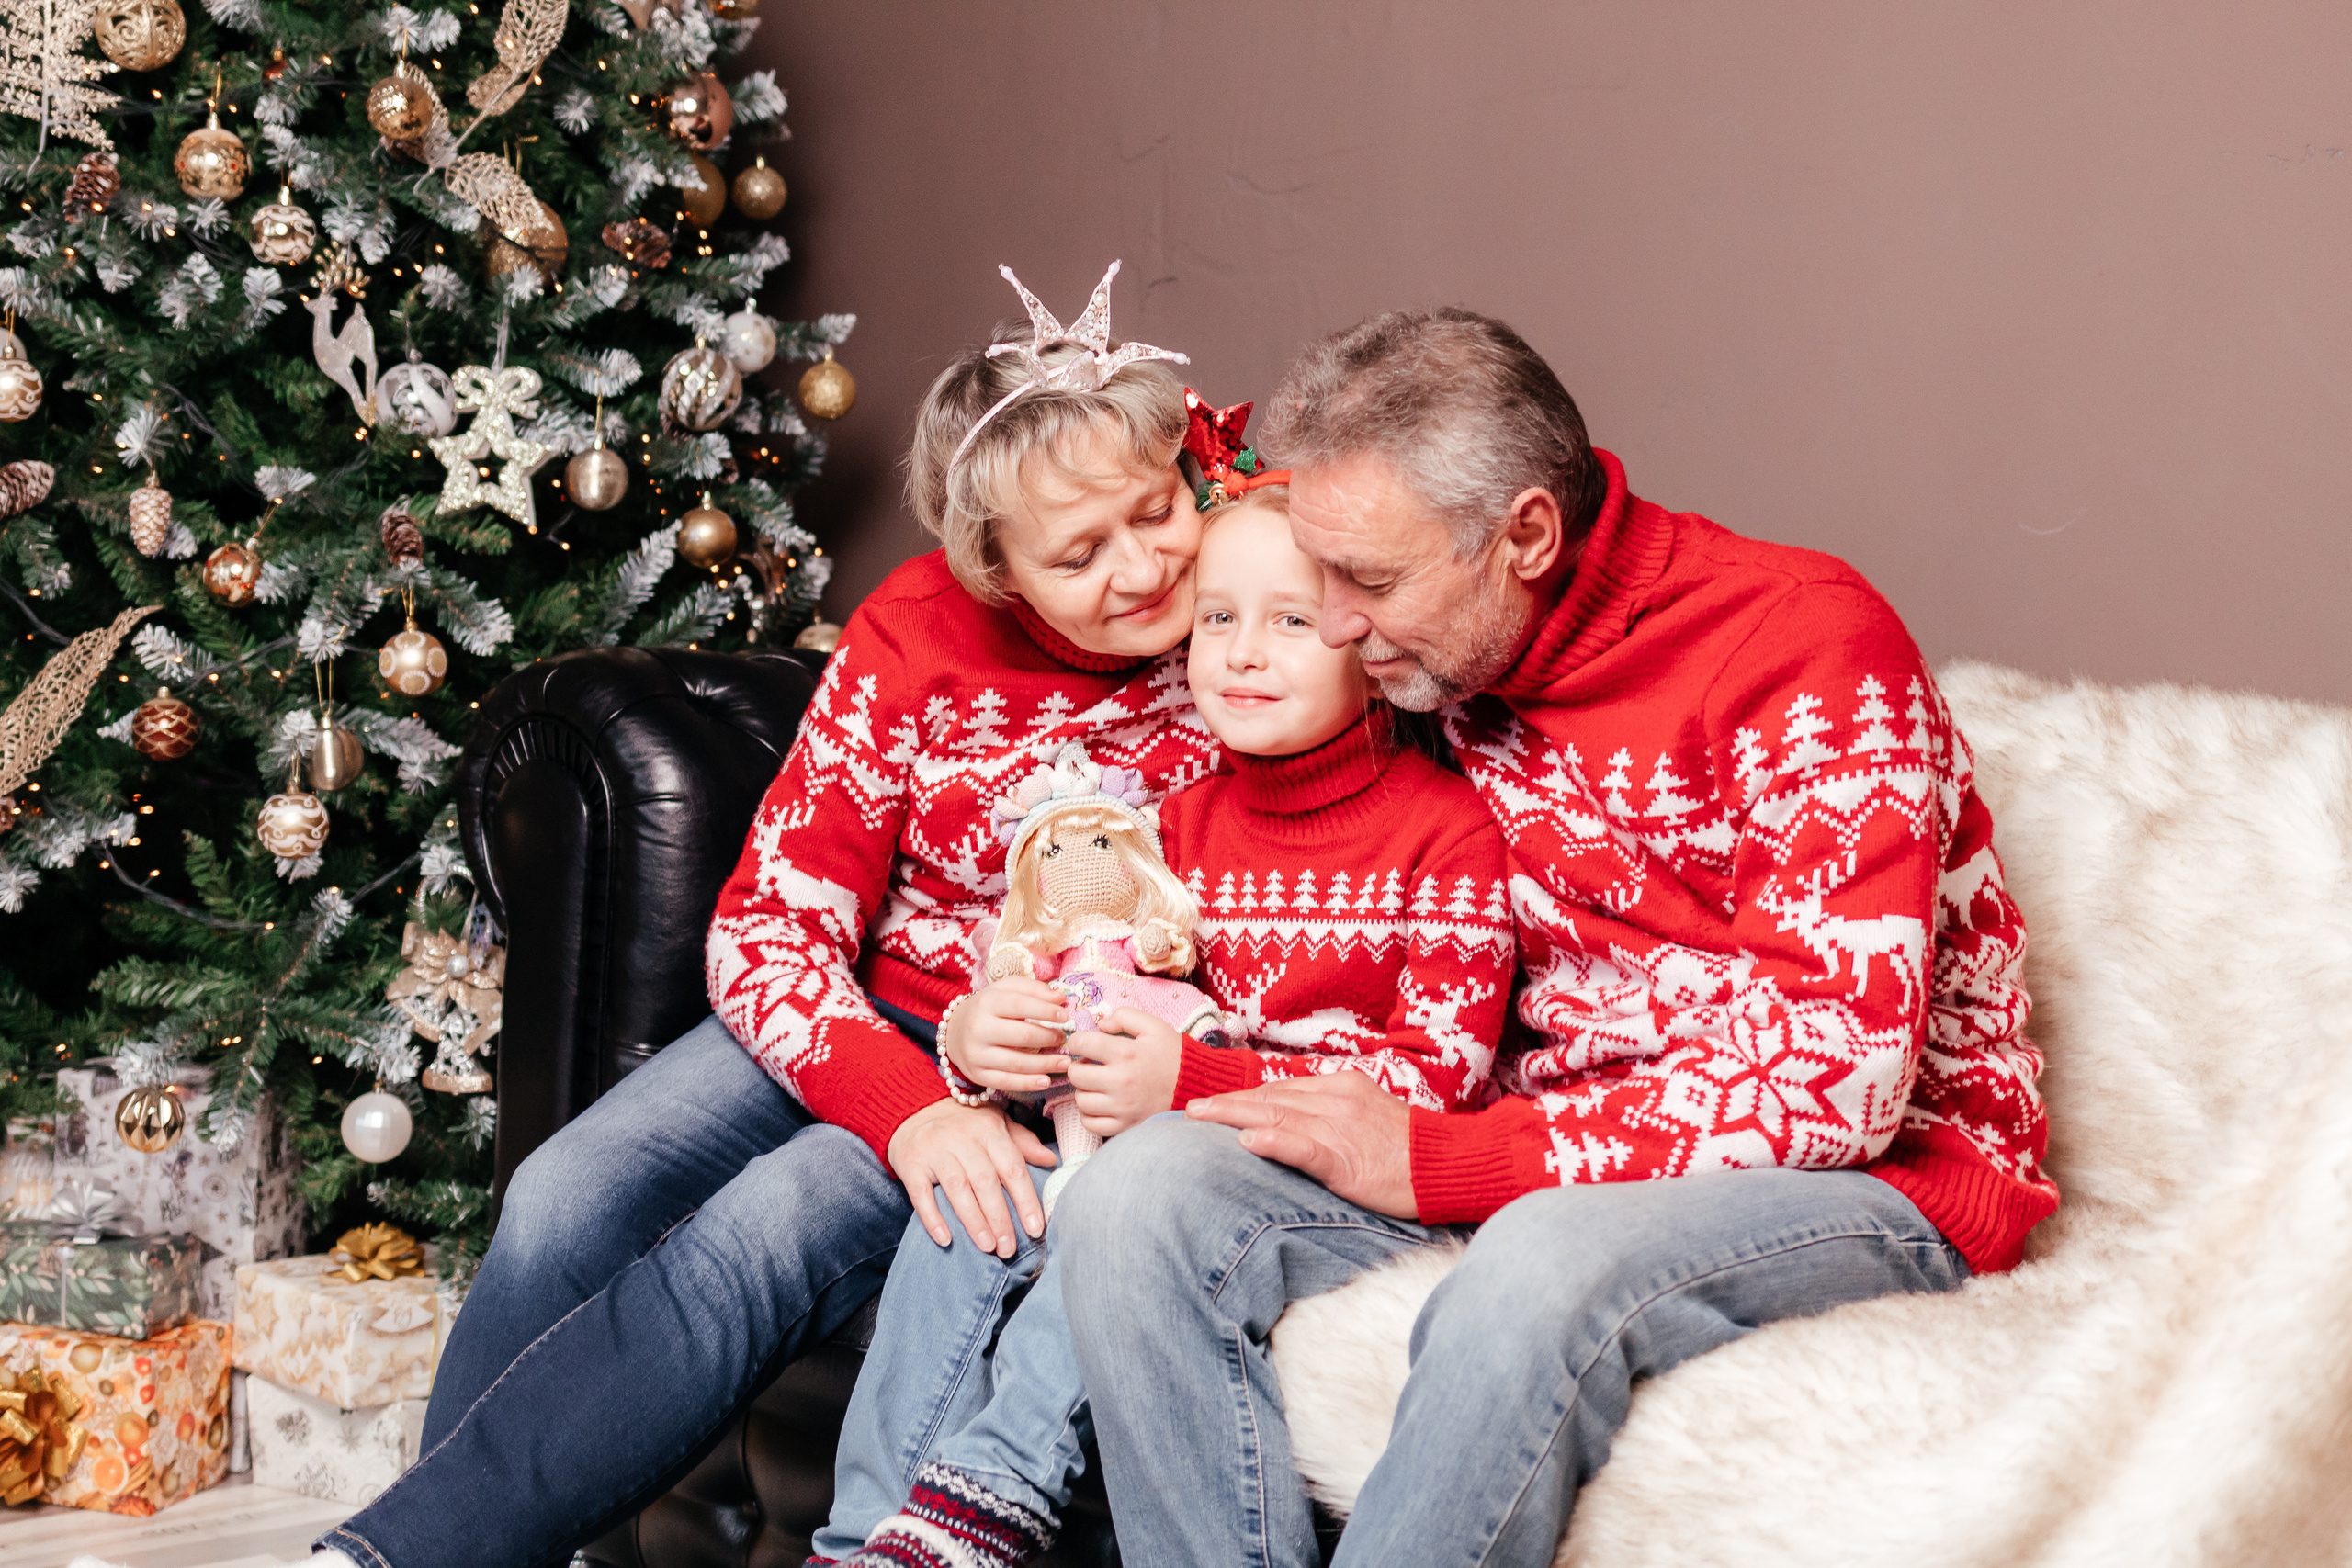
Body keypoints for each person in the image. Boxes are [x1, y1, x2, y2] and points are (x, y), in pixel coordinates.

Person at [1057, 309, 2060, 1568]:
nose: (1339, 624)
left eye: (1370, 582)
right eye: (1325, 574)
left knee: (1537, 1260)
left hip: (1866, 1180)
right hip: (1548, 1139)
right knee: (1137, 1196)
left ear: (1527, 535)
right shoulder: (1444, 661)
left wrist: (1450, 1158)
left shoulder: (1806, 646)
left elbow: (1840, 1080)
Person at [300, 262, 1224, 1568]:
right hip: (871, 1013)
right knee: (566, 1190)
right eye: (1079, 554)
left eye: (1157, 509)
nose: (1144, 566)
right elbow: (769, 927)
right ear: (996, 569)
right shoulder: (917, 634)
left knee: (774, 1221)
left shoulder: (1249, 624)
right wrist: (903, 1102)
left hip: (1048, 1071)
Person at [808, 468, 1517, 1568]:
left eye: (1290, 623)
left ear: (1371, 644)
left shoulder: (1447, 835)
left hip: (1335, 1182)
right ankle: (860, 1542)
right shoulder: (1168, 829)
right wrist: (994, 1039)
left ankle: (992, 1493)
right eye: (1217, 619)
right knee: (975, 1198)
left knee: (1126, 1199)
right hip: (1157, 1131)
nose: (1242, 654)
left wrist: (1192, 1081)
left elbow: (1437, 1085)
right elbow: (1097, 979)